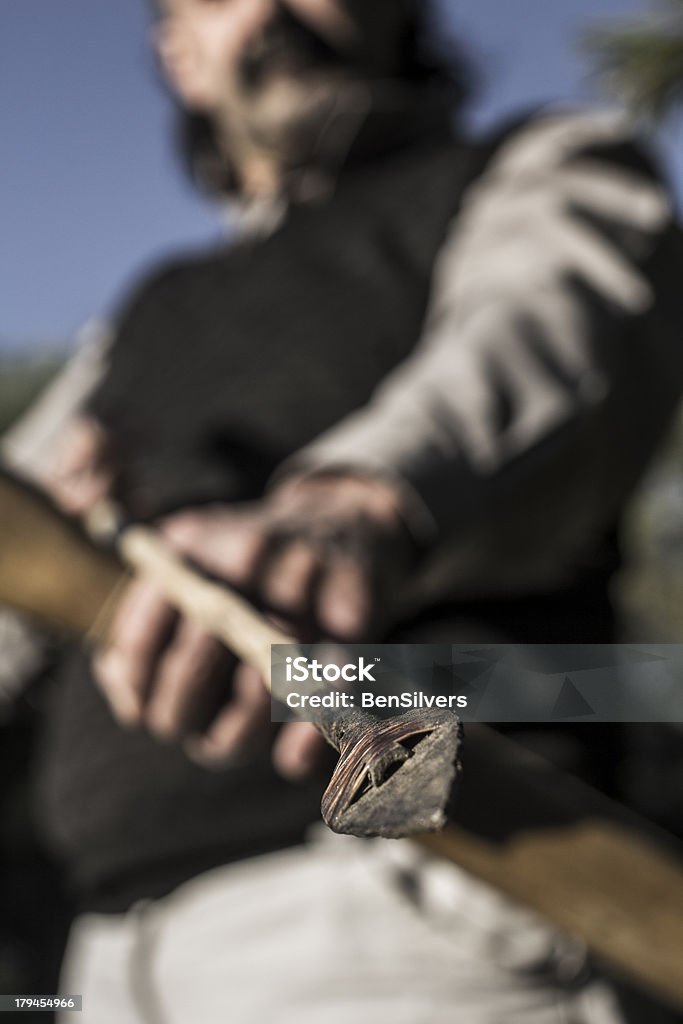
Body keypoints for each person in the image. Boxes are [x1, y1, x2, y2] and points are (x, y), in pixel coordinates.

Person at [11, 1, 683, 1021]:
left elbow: (545, 326)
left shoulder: (542, 164)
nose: (275, 10)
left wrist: (363, 493)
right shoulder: (147, 313)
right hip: (107, 952)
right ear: (179, 56)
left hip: (414, 901)